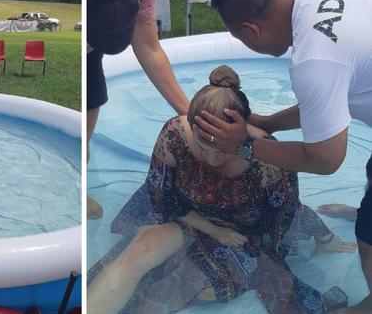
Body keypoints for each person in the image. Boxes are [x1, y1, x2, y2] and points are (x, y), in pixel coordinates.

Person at [87, 66, 357, 314]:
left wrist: (325, 238)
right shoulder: (174, 135)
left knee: (201, 289)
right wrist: (214, 229)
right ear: (192, 127)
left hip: (240, 232)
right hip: (186, 214)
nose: (210, 158)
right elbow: (162, 200)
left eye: (221, 150)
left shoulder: (267, 159)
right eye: (201, 147)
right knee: (138, 252)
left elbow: (287, 212)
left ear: (240, 135)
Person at [192, 0, 372, 313]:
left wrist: (242, 145)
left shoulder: (313, 59)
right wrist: (266, 122)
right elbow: (327, 101)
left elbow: (326, 159)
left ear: (251, 30)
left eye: (243, 40)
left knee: (368, 238)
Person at [86, 0, 190, 219]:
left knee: (91, 101)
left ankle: (80, 172)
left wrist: (188, 112)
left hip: (90, 41)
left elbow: (149, 48)